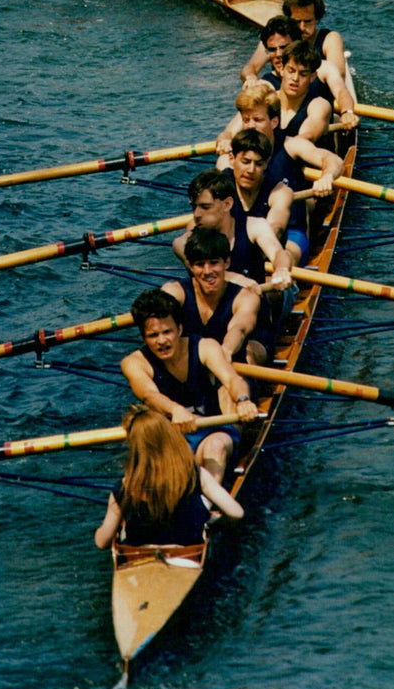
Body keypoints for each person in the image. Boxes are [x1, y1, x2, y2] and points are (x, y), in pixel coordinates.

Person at [120, 290, 258, 483]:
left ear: (180, 329)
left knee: (214, 447)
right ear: (143, 338)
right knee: (134, 478)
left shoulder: (205, 347)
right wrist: (176, 410)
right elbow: (149, 395)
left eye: (167, 332)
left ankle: (207, 508)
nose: (162, 341)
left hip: (214, 431)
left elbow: (232, 380)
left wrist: (243, 400)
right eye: (153, 335)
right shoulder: (134, 363)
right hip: (174, 440)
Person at [216, 85, 345, 265]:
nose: (251, 126)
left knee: (279, 262)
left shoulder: (292, 146)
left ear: (274, 122)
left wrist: (327, 177)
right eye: (246, 120)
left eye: (258, 119)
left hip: (290, 233)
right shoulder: (229, 159)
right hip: (242, 232)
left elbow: (333, 160)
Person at [94, 404, 243, 549]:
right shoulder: (193, 473)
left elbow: (102, 543)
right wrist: (214, 523)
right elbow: (236, 513)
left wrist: (98, 533)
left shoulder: (125, 486)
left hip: (139, 557)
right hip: (188, 553)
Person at [162, 226, 272, 367]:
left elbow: (238, 329)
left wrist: (225, 351)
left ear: (226, 262)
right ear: (190, 266)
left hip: (235, 355)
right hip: (196, 358)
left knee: (249, 357)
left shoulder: (245, 297)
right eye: (200, 265)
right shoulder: (175, 291)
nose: (207, 271)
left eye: (214, 263)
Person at [172, 169, 293, 289]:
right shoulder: (183, 244)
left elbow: (278, 253)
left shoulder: (255, 226)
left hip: (256, 298)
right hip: (214, 306)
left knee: (276, 293)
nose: (197, 214)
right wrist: (234, 278)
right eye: (194, 207)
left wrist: (281, 269)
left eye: (205, 207)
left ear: (227, 204)